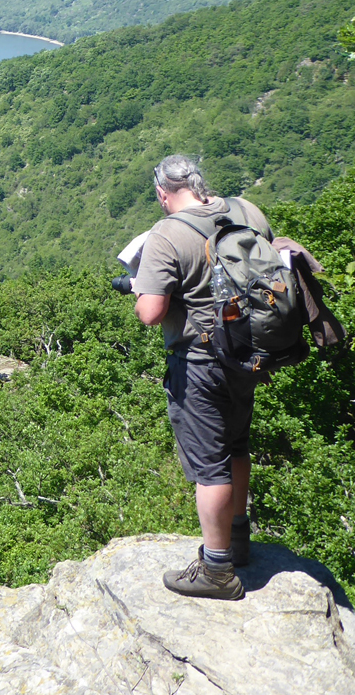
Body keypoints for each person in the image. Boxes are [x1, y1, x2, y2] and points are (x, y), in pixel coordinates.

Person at [131, 154, 274, 601]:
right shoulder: (246, 210)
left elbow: (150, 314)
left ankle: (217, 571)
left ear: (162, 192)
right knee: (237, 446)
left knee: (210, 469)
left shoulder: (167, 234)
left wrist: (138, 287)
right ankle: (238, 538)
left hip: (199, 362)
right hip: (248, 354)